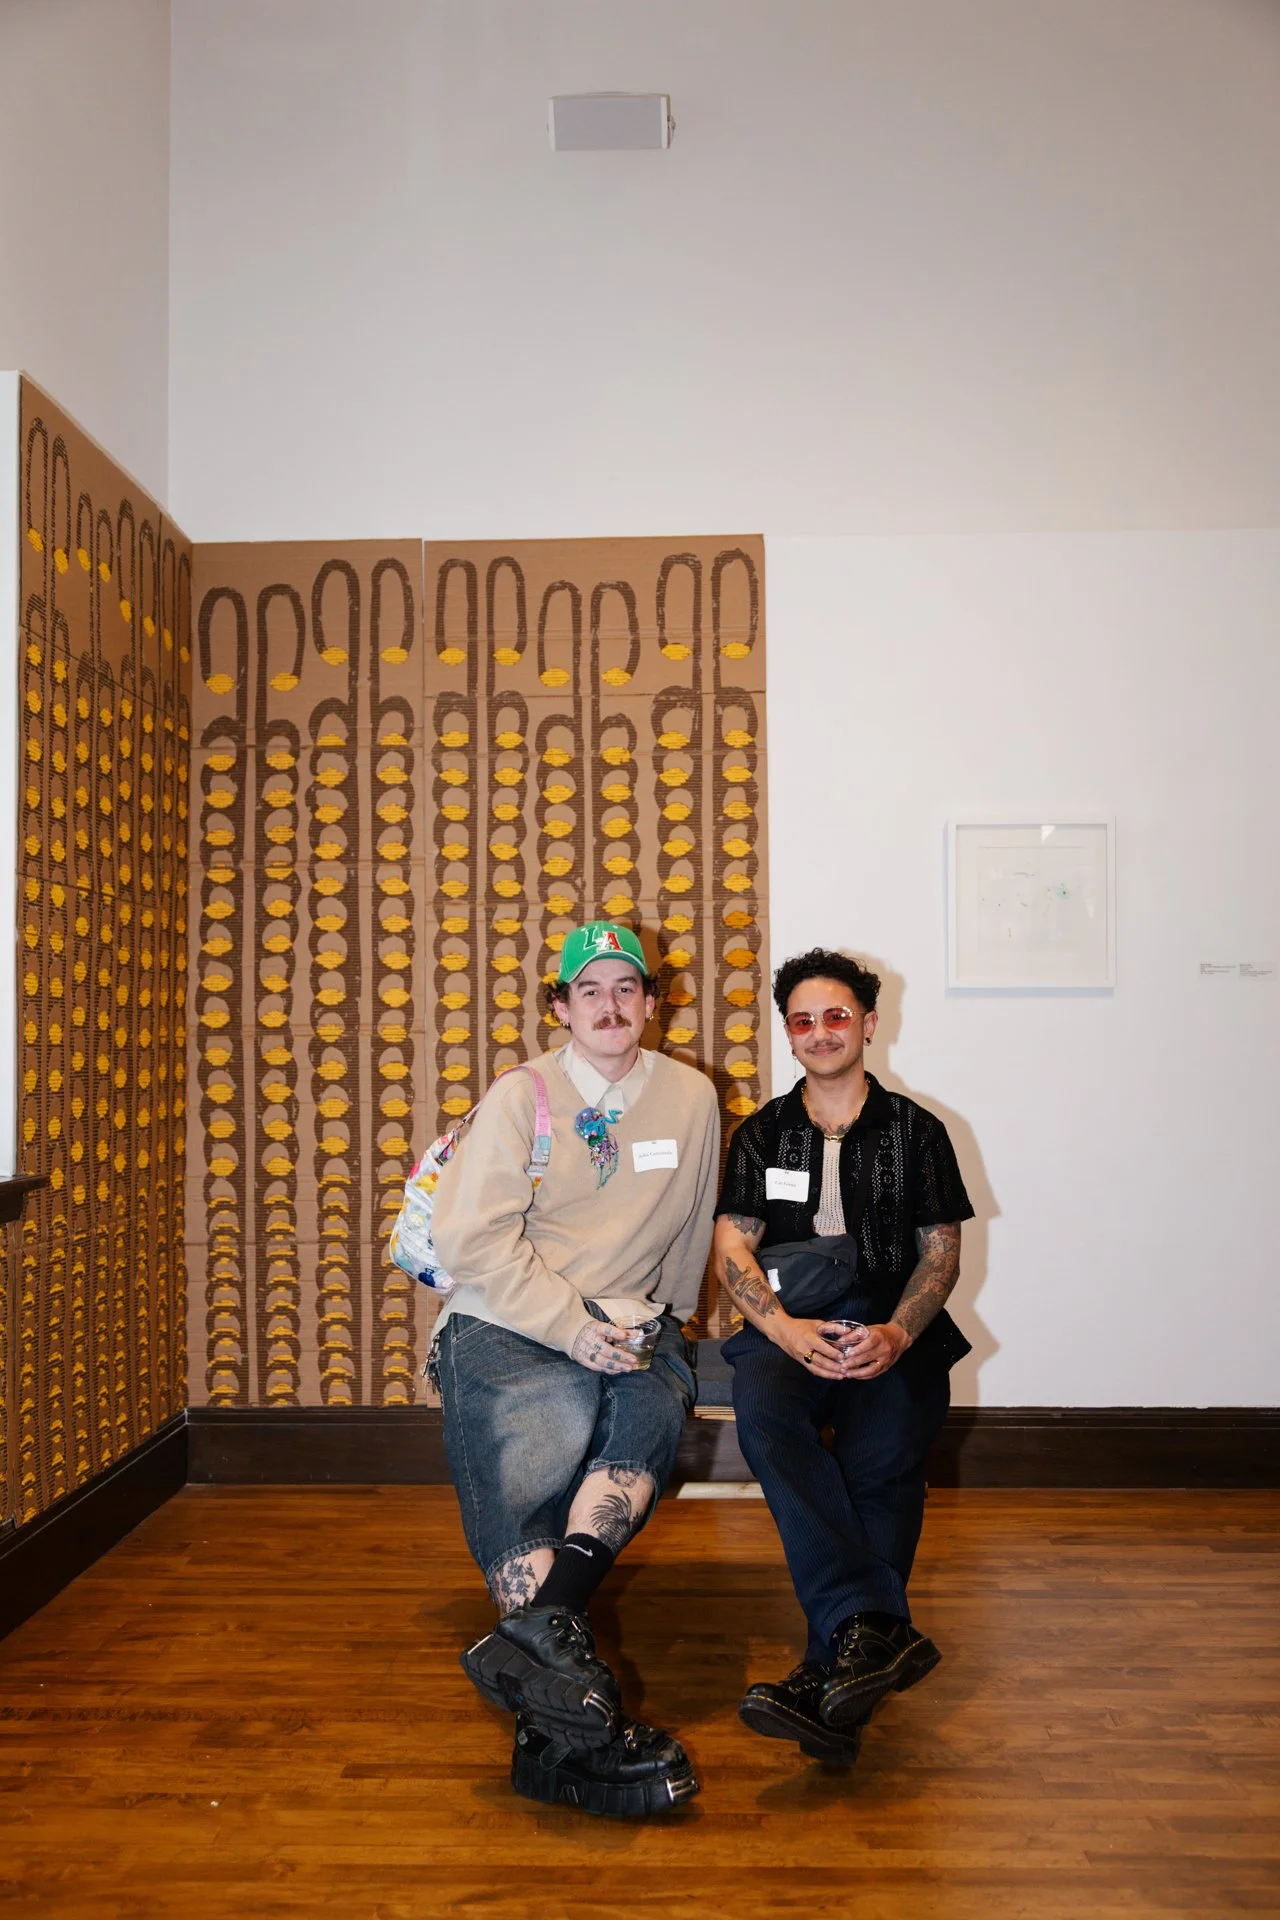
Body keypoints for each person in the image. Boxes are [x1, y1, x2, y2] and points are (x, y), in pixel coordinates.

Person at [430, 919, 721, 1817]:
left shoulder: (690, 1096)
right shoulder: (523, 1095)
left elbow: (690, 1219)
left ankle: (544, 1666)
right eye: (588, 989)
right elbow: (467, 1239)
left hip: (628, 1315)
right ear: (560, 1007)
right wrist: (568, 1326)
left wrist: (672, 1322)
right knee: (545, 1434)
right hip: (510, 1314)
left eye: (627, 987)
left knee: (651, 1409)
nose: (609, 1004)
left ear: (652, 1002)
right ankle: (580, 1733)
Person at [713, 947, 974, 1765]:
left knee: (883, 1455)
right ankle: (872, 1631)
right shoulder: (761, 1133)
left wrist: (897, 1334)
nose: (820, 1032)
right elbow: (732, 1248)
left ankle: (830, 1675)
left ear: (867, 1024)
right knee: (764, 1412)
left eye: (835, 1016)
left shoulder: (919, 1132)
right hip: (791, 1323)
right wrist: (785, 1330)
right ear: (788, 1034)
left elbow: (941, 1256)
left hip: (892, 1325)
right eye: (802, 1021)